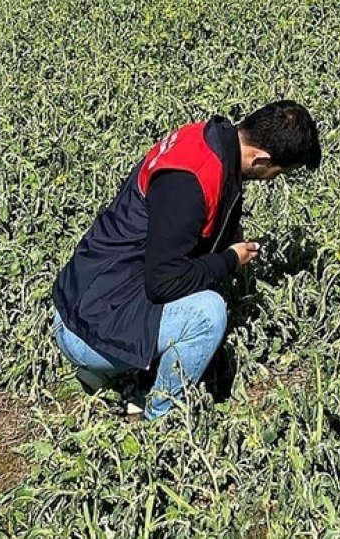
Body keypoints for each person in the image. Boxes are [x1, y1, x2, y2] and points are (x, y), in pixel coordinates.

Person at [52, 101, 321, 420]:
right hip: (84, 328)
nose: (272, 180)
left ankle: (106, 373)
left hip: (88, 297)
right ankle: (158, 418)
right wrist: (229, 260)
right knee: (208, 314)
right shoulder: (190, 181)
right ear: (261, 160)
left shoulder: (205, 139)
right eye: (277, 173)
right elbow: (165, 282)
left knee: (199, 288)